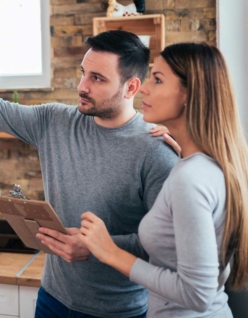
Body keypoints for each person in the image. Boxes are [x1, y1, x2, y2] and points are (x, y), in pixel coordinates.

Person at [0, 16, 178, 318]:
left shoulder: (155, 151)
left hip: (117, 311)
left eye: (97, 78)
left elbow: (167, 243)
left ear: (131, 87)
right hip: (52, 299)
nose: (82, 86)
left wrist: (98, 246)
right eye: (83, 73)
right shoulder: (54, 122)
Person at [78, 43, 248, 317]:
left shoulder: (191, 178)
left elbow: (198, 294)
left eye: (157, 80)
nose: (144, 88)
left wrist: (110, 251)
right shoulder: (205, 165)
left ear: (188, 95)